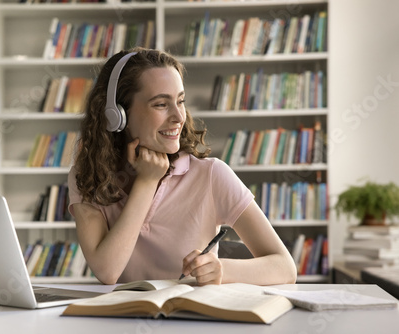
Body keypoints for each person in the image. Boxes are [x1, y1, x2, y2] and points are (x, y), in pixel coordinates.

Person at [67, 47, 297, 286]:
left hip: (194, 320)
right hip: (125, 319)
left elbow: (284, 267)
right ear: (117, 115)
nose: (179, 116)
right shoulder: (87, 177)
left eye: (180, 101)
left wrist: (222, 270)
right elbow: (107, 271)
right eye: (160, 104)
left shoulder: (211, 175)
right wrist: (147, 182)